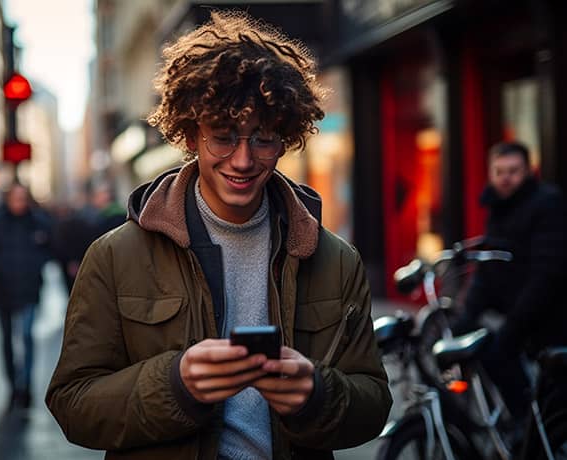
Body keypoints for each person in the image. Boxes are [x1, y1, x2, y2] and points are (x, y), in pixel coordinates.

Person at [46, 11, 391, 459]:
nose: (243, 160)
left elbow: (374, 402)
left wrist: (318, 395)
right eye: (224, 137)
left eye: (263, 138)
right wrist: (176, 384)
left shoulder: (336, 260)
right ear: (191, 135)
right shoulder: (114, 256)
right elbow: (72, 403)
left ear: (285, 138)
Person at [454, 141, 567, 423]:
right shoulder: (498, 207)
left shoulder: (547, 203)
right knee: (491, 350)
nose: (506, 178)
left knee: (546, 394)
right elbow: (488, 270)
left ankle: (527, 430)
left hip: (550, 315)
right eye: (499, 171)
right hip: (521, 313)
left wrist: (513, 326)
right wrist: (466, 317)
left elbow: (547, 273)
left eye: (514, 171)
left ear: (529, 171)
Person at [0, 183, 52, 409]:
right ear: (8, 199)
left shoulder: (37, 221)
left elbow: (49, 246)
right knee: (8, 339)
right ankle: (13, 385)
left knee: (28, 336)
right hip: (4, 292)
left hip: (29, 289)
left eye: (23, 198)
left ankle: (26, 385)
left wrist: (36, 265)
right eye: (16, 198)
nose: (20, 202)